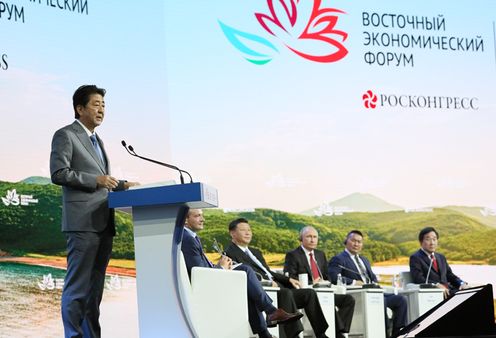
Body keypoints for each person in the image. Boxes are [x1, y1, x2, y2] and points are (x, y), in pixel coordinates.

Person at [50, 85, 139, 338]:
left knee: (94, 292)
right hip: (82, 224)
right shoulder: (65, 135)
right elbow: (59, 174)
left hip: (103, 223)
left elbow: (103, 180)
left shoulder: (97, 140)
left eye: (104, 105)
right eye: (96, 104)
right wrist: (97, 180)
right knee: (78, 290)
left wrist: (122, 185)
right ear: (80, 108)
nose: (101, 109)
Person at [181, 209, 303, 338]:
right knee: (245, 270)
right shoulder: (187, 239)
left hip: (212, 279)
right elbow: (199, 272)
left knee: (247, 284)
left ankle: (265, 330)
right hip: (206, 286)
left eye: (202, 215)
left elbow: (202, 267)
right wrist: (221, 268)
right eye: (197, 216)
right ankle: (270, 312)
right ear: (185, 220)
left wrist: (219, 266)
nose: (202, 219)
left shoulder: (191, 237)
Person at [225, 218, 330, 338]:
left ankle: (321, 334)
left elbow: (268, 272)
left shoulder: (255, 252)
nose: (248, 233)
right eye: (243, 230)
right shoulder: (230, 252)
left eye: (249, 230)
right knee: (286, 293)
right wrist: (269, 283)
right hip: (265, 292)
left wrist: (288, 279)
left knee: (309, 294)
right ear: (232, 233)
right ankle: (293, 335)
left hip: (279, 287)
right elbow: (245, 276)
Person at [328, 230, 408, 337]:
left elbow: (372, 277)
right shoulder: (338, 259)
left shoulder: (364, 260)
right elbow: (333, 277)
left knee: (401, 300)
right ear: (346, 241)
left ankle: (398, 334)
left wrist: (375, 283)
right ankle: (384, 333)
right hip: (359, 295)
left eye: (359, 242)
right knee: (381, 301)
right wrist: (354, 282)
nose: (356, 244)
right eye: (353, 241)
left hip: (375, 293)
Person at [284, 226, 355, 338]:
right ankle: (337, 334)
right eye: (309, 237)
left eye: (315, 237)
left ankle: (339, 331)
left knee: (348, 299)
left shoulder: (320, 254)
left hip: (324, 291)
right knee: (324, 300)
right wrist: (312, 282)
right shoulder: (293, 255)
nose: (312, 240)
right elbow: (291, 277)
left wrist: (324, 281)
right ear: (301, 239)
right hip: (308, 293)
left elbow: (328, 276)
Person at [409, 226, 467, 297]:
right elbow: (418, 279)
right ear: (421, 242)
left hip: (448, 291)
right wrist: (435, 285)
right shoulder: (415, 258)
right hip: (433, 294)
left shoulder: (440, 257)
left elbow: (449, 275)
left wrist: (461, 283)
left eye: (434, 239)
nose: (432, 243)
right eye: (428, 239)